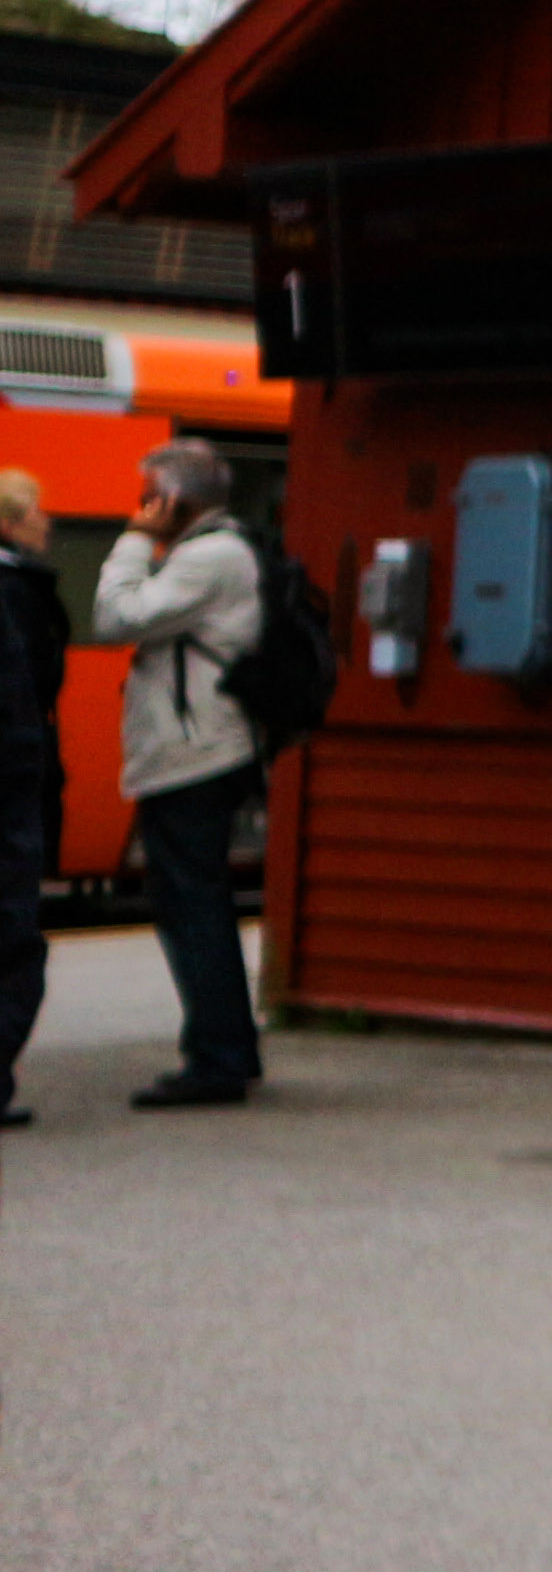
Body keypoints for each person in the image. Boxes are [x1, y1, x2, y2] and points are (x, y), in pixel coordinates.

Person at [99, 441, 263, 1111]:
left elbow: (116, 617)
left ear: (172, 499)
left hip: (193, 757)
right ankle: (228, 1049)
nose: (142, 507)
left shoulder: (208, 557)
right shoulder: (223, 550)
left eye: (149, 496)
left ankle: (216, 1061)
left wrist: (135, 541)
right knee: (198, 905)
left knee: (192, 910)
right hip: (202, 750)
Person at [0, 472, 64, 1129]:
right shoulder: (17, 593)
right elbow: (26, 705)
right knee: (15, 945)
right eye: (37, 511)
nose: (49, 521)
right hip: (9, 797)